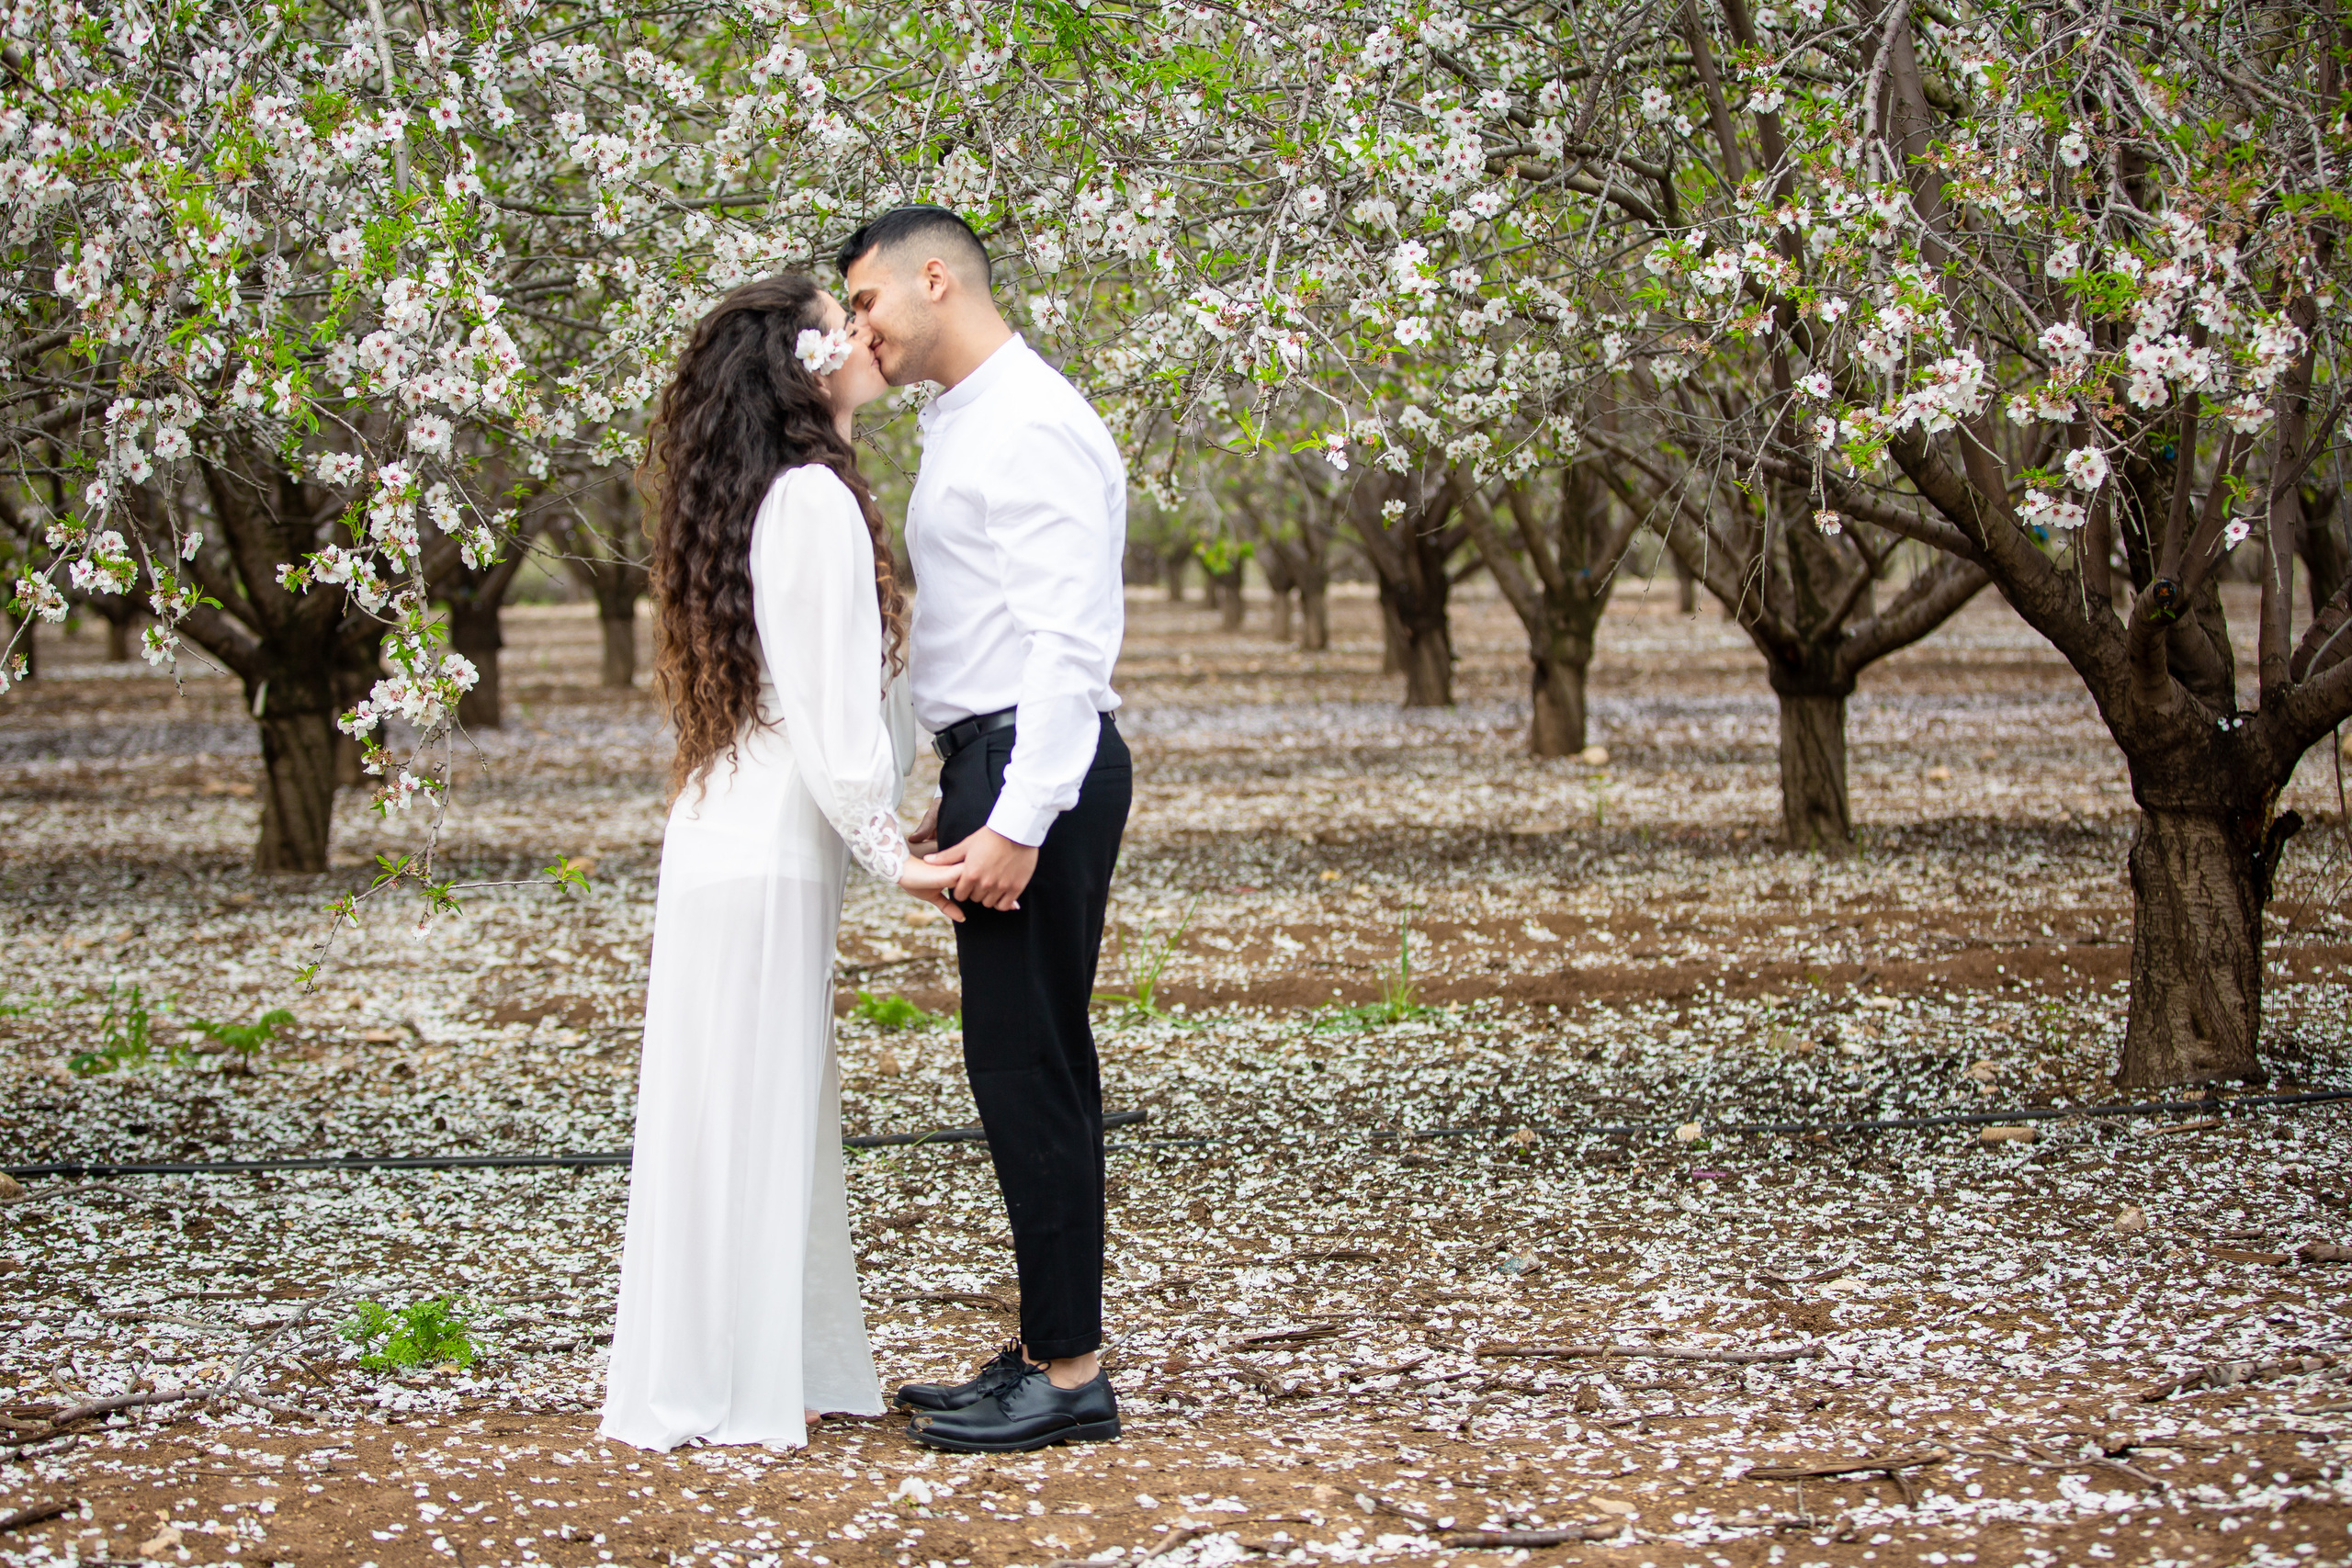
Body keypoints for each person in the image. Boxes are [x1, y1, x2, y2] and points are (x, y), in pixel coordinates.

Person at [598, 273, 964, 1452]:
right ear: (803, 367)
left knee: (739, 1111)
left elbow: (832, 703)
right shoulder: (809, 498)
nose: (866, 332)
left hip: (739, 839)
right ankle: (731, 1375)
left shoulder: (793, 492)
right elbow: (825, 707)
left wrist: (875, 822)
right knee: (747, 1110)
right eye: (840, 322)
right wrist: (889, 851)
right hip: (762, 855)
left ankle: (743, 1361)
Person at [837, 204, 1132, 1454]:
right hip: (993, 759)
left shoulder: (1035, 420)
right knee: (1028, 1063)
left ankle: (1069, 1373)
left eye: (865, 303)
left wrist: (1015, 814)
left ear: (936, 277)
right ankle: (1049, 1343)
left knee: (1029, 1069)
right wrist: (943, 782)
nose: (861, 330)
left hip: (1036, 764)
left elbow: (1071, 639)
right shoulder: (969, 419)